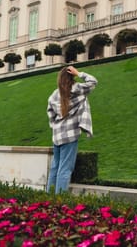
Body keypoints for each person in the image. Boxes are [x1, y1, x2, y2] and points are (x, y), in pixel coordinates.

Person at [46, 65, 98, 194]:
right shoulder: (76, 89)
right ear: (71, 76)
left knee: (55, 167)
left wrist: (55, 126)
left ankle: (48, 197)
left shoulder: (54, 94)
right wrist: (79, 73)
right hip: (70, 135)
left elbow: (50, 113)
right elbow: (93, 82)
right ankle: (59, 199)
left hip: (57, 135)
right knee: (65, 169)